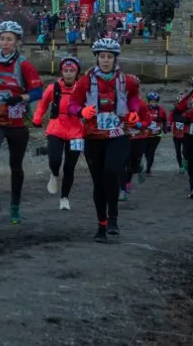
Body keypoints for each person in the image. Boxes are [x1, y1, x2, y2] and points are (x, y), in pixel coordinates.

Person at [69, 37, 141, 242]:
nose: (106, 60)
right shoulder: (85, 80)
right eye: (102, 57)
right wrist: (82, 110)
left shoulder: (126, 80)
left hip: (119, 134)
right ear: (96, 58)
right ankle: (101, 224)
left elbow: (135, 97)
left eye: (110, 57)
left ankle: (113, 218)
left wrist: (134, 111)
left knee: (111, 171)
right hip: (94, 136)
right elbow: (72, 104)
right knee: (98, 183)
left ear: (115, 59)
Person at [0, 20, 44, 224]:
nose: (5, 43)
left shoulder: (24, 64)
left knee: (16, 165)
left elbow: (38, 92)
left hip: (16, 120)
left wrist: (21, 98)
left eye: (10, 39)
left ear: (17, 42)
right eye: (2, 39)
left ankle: (15, 207)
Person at [32, 56, 84, 210]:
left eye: (71, 71)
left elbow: (91, 106)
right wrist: (37, 118)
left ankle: (64, 198)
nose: (68, 74)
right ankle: (54, 174)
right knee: (55, 160)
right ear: (62, 72)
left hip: (77, 131)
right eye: (65, 71)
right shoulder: (53, 88)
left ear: (76, 73)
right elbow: (42, 105)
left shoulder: (82, 88)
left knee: (70, 167)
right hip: (56, 127)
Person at [142, 92, 166, 176]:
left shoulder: (161, 110)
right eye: (152, 102)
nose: (153, 103)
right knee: (145, 151)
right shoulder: (144, 109)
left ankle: (148, 169)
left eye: (155, 102)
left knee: (151, 152)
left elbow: (164, 120)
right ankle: (145, 166)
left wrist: (165, 128)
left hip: (156, 135)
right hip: (145, 134)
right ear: (148, 101)